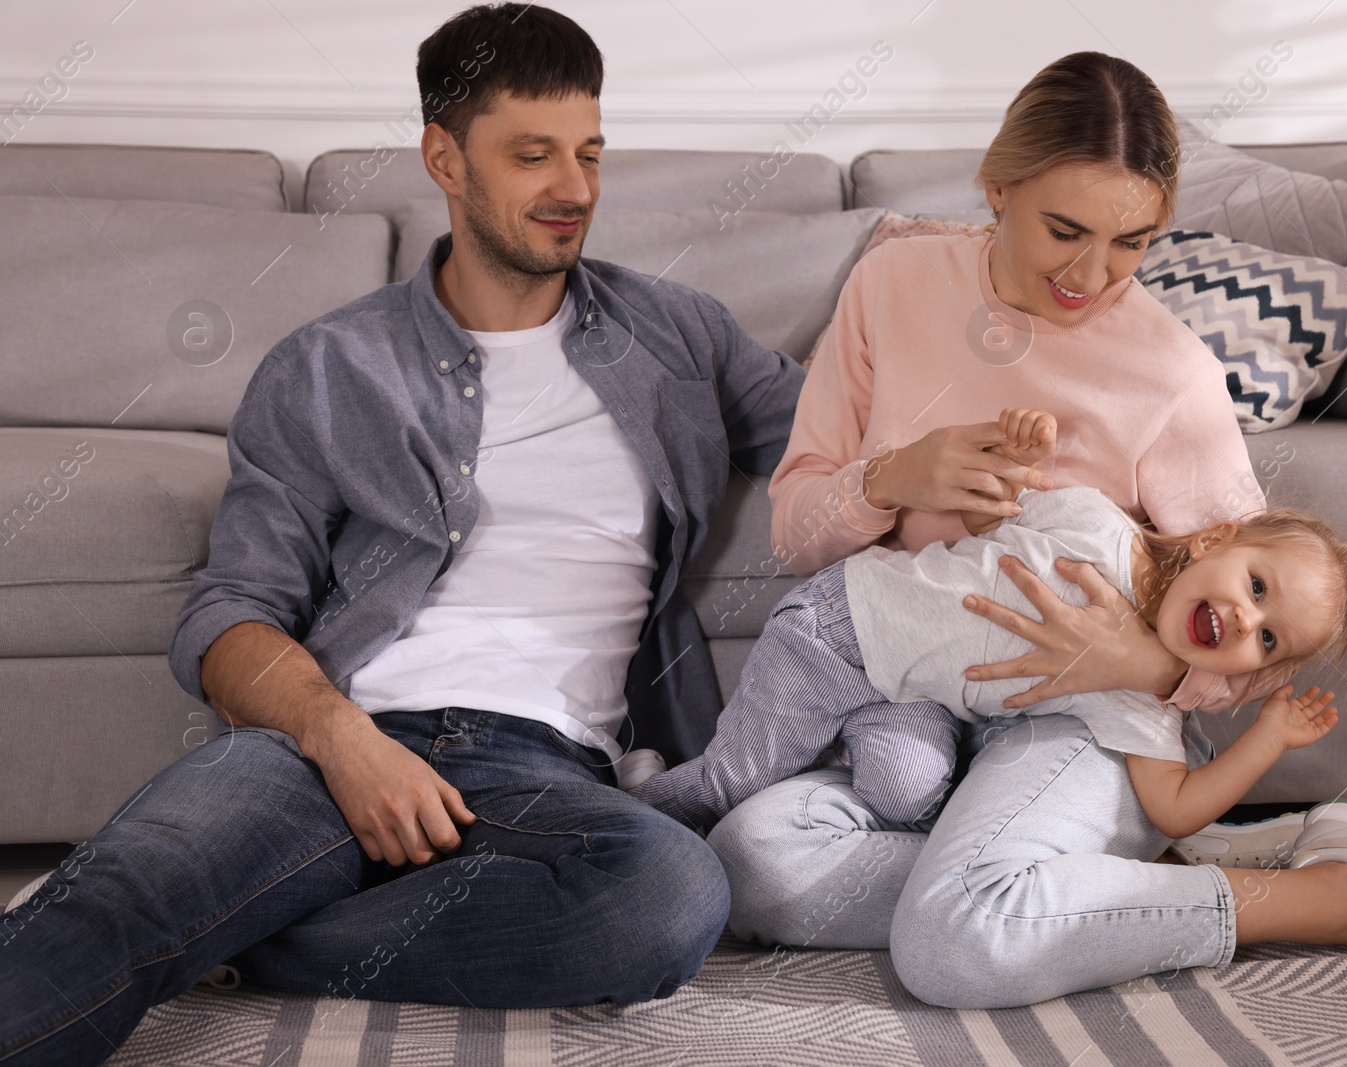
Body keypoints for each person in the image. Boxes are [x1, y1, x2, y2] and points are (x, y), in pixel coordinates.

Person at [0, 5, 804, 1063]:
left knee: (667, 898)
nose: (573, 188)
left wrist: (953, 298)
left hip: (545, 768)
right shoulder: (328, 365)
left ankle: (259, 934)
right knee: (126, 891)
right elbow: (230, 611)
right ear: (445, 158)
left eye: (588, 152)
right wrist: (344, 743)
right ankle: (189, 911)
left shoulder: (678, 333)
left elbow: (842, 437)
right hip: (331, 739)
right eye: (532, 154)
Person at [706, 51, 1347, 1003]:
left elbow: (1271, 634)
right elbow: (796, 536)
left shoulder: (1171, 371)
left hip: (1097, 725)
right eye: (1064, 229)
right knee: (750, 863)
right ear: (997, 188)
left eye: (1133, 241)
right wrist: (892, 477)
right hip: (915, 694)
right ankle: (1046, 882)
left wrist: (1142, 665)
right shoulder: (891, 285)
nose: (1094, 274)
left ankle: (1308, 898)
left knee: (951, 946)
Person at [631, 408, 1347, 838]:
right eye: (1256, 585)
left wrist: (1267, 740)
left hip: (912, 696)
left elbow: (1176, 809)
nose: (1245, 616)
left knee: (911, 795)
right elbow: (979, 526)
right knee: (731, 781)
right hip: (839, 629)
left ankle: (801, 787)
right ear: (1215, 539)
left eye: (1269, 636)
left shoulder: (1141, 701)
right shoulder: (1097, 528)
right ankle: (630, 800)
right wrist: (1017, 460)